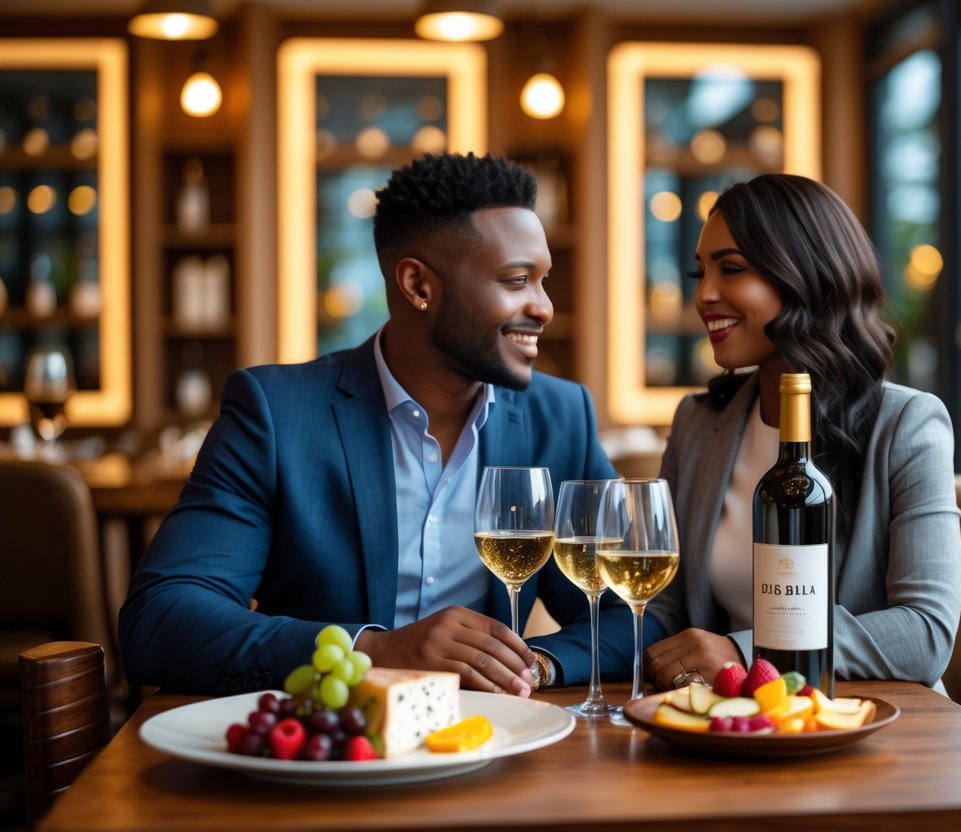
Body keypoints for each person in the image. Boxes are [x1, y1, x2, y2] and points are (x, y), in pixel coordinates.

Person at [120, 152, 641, 698]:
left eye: (543, 281)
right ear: (418, 284)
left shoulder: (561, 416)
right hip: (328, 738)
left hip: (495, 734)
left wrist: (529, 668)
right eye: (517, 281)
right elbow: (161, 618)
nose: (544, 307)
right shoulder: (275, 413)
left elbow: (631, 610)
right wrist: (370, 651)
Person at [643, 173, 961, 692]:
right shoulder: (697, 423)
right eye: (699, 272)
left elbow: (925, 633)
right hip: (733, 718)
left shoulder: (907, 423)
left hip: (868, 719)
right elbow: (667, 607)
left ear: (805, 276)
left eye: (731, 269)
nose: (704, 294)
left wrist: (745, 651)